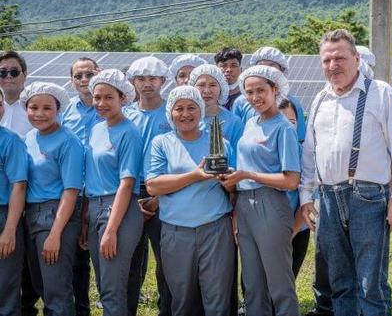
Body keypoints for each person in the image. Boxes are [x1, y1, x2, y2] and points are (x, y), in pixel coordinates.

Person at [300, 29, 392, 316]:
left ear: (356, 57)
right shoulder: (319, 100)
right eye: (326, 60)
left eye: (339, 58)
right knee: (340, 281)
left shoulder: (380, 92)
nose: (332, 65)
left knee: (370, 282)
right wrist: (305, 196)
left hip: (368, 196)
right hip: (327, 197)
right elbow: (309, 153)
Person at [146, 86, 236, 316]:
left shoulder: (220, 143)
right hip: (176, 232)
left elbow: (235, 189)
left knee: (217, 298)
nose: (185, 114)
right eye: (179, 109)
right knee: (182, 299)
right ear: (171, 112)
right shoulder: (162, 143)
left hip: (215, 230)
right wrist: (194, 176)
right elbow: (153, 185)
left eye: (191, 108)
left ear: (201, 110)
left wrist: (230, 179)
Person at [220, 65, 301, 316]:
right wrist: (234, 176)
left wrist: (247, 174)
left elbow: (291, 180)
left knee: (278, 282)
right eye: (250, 92)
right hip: (244, 204)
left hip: (271, 205)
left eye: (261, 91)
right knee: (253, 283)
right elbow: (248, 163)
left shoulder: (283, 127)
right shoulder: (251, 123)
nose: (255, 97)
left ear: (274, 89)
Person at [85, 69, 144, 316]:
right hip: (94, 208)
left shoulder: (129, 132)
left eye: (108, 97)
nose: (101, 103)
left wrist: (110, 230)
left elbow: (127, 183)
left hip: (118, 211)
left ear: (123, 98)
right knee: (103, 286)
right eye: (97, 97)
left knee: (112, 288)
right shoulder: (96, 128)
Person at [22, 82, 84, 315]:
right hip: (31, 214)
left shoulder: (69, 141)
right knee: (42, 285)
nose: (39, 114)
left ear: (58, 110)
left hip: (55, 216)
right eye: (33, 107)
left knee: (56, 290)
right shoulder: (29, 137)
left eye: (47, 108)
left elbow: (71, 190)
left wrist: (55, 234)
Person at [125, 56, 173, 316]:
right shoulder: (125, 114)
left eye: (152, 79)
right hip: (130, 193)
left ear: (162, 81)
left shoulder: (172, 113)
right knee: (130, 262)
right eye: (141, 79)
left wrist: (161, 197)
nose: (146, 84)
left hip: (164, 193)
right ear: (132, 81)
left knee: (166, 263)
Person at [60, 57, 102, 315]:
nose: (84, 80)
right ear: (72, 81)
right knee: (76, 261)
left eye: (90, 74)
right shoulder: (66, 111)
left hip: (102, 193)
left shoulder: (110, 105)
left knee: (104, 259)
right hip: (74, 194)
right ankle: (81, 309)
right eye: (79, 76)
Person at [232, 47, 306, 142]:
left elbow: (300, 138)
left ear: (282, 70)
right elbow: (237, 138)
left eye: (272, 65)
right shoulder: (241, 102)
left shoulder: (292, 103)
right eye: (261, 66)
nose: (266, 70)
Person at [0, 87, 28, 316]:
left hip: (4, 216)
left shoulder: (11, 142)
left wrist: (9, 230)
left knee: (5, 285)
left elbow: (18, 186)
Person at [278, 99, 310, 278]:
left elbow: (307, 197)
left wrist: (291, 232)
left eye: (291, 122)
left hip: (296, 228)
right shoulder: (260, 153)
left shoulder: (304, 155)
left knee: (287, 278)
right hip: (267, 229)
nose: (287, 128)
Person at [189, 64, 244, 150]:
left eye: (213, 85)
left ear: (221, 88)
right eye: (201, 85)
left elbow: (239, 157)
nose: (207, 91)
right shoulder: (184, 120)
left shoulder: (233, 123)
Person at [0, 51, 32, 139]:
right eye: (3, 72)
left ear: (25, 75)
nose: (8, 76)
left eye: (14, 72)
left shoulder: (37, 108)